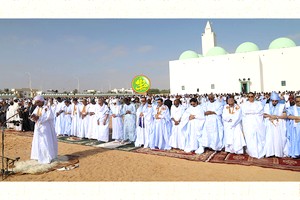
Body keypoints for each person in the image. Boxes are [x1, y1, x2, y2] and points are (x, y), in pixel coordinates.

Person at [30, 95, 58, 164]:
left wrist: (39, 118)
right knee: (37, 141)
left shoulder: (47, 107)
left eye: (38, 102)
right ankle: (37, 156)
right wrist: (32, 117)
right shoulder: (37, 108)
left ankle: (47, 157)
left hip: (45, 127)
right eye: (36, 103)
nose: (37, 104)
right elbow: (33, 115)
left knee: (45, 142)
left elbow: (49, 116)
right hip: (38, 127)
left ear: (41, 101)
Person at [263, 91, 288, 157]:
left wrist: (276, 117)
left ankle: (278, 153)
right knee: (269, 138)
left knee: (277, 139)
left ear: (278, 100)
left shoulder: (282, 106)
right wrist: (271, 116)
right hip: (269, 124)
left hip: (278, 125)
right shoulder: (267, 106)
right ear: (271, 100)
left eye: (276, 101)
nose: (274, 102)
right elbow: (264, 115)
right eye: (273, 101)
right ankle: (270, 153)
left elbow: (285, 116)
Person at [241, 92, 266, 158]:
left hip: (257, 122)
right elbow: (244, 113)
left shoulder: (259, 103)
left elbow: (260, 112)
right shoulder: (244, 104)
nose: (250, 98)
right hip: (248, 123)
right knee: (250, 137)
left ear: (254, 96)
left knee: (259, 137)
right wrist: (253, 112)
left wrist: (250, 112)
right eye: (249, 97)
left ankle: (261, 151)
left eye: (252, 96)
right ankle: (252, 152)